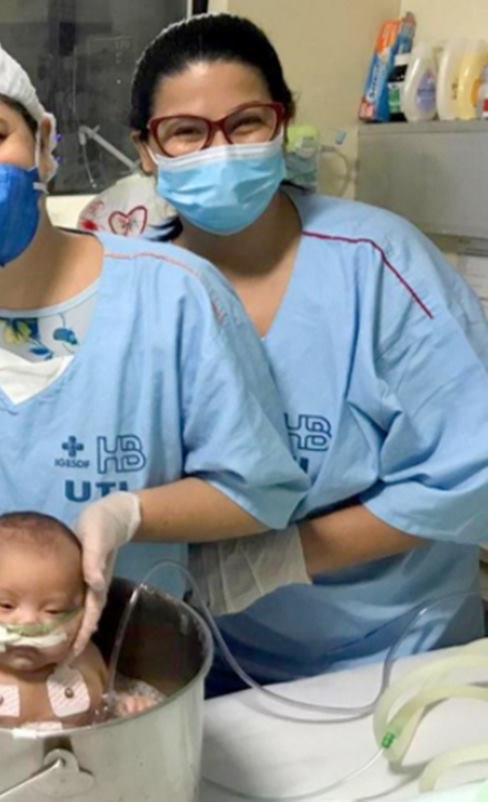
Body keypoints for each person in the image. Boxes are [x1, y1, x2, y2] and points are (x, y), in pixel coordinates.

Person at [0, 30, 313, 691]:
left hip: (127, 658)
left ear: (41, 140)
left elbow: (256, 489)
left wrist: (129, 514)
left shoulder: (175, 293)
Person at [129, 13, 488, 690]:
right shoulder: (130, 286)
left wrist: (282, 557)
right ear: (147, 150)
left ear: (283, 123)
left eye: (245, 124)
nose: (220, 151)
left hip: (398, 654)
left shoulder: (378, 264)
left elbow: (472, 470)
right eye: (185, 132)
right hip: (213, 660)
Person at [0, 511, 158, 729]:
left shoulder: (85, 661)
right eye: (6, 605)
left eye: (54, 610)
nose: (28, 623)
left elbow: (108, 711)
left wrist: (130, 707)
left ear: (86, 611)